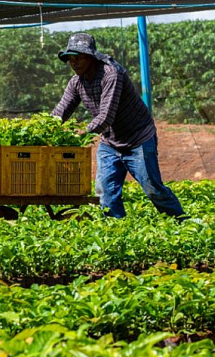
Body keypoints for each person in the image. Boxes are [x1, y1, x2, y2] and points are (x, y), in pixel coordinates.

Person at [51, 32, 187, 220]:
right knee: (104, 192)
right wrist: (46, 128)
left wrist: (80, 134)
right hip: (110, 143)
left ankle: (182, 221)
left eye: (79, 57)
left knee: (153, 189)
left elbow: (106, 116)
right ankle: (116, 229)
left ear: (91, 57)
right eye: (70, 58)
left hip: (138, 139)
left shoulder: (111, 74)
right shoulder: (76, 83)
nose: (74, 62)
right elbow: (61, 111)